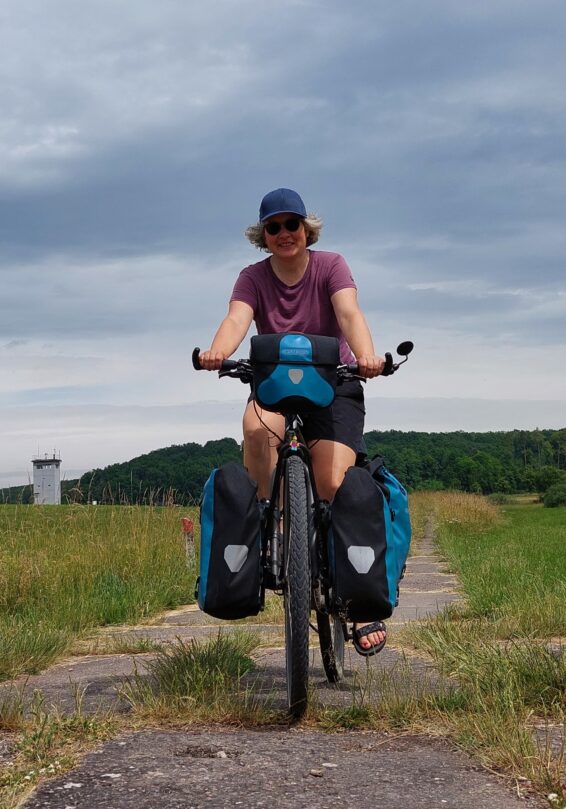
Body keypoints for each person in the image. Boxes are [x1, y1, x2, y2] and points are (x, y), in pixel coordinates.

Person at [197, 187, 388, 655]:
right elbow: (236, 319)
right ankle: (272, 523)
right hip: (274, 385)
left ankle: (356, 599)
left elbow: (348, 312)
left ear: (307, 229)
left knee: (334, 480)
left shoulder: (331, 266)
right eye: (274, 227)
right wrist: (218, 350)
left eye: (292, 225)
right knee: (257, 430)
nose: (284, 234)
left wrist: (366, 355)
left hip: (334, 383)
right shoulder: (252, 277)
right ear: (263, 236)